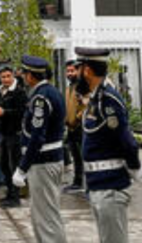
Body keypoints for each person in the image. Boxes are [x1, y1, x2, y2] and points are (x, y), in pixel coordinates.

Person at [73, 48, 142, 243]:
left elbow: (126, 140)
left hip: (110, 187)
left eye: (78, 69)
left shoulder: (108, 100)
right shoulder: (96, 98)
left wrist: (134, 167)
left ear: (87, 70)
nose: (76, 74)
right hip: (98, 184)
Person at [14, 56, 68, 243]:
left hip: (43, 162)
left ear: (30, 75)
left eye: (24, 73)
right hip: (49, 160)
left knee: (46, 218)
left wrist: (22, 167)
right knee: (47, 214)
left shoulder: (41, 98)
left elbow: (37, 137)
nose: (23, 77)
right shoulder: (51, 92)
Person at [0, 64, 27, 207]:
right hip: (2, 132)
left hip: (15, 133)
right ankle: (9, 192)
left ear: (13, 76)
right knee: (3, 163)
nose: (6, 79)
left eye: (8, 76)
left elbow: (22, 112)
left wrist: (4, 112)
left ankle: (15, 196)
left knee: (14, 165)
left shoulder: (19, 92)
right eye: (3, 77)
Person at [63, 59, 87, 193]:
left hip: (80, 126)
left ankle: (85, 183)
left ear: (78, 71)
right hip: (71, 127)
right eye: (67, 71)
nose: (69, 73)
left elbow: (87, 106)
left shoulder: (83, 87)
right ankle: (77, 182)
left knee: (83, 156)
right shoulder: (69, 88)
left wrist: (77, 119)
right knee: (76, 156)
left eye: (72, 71)